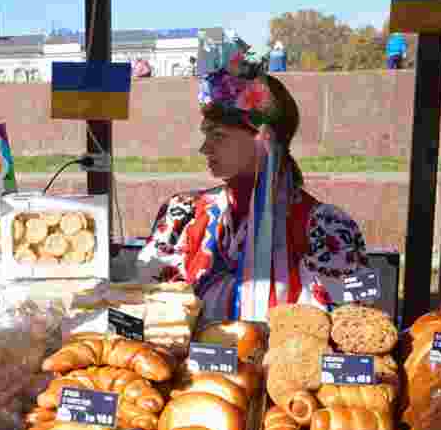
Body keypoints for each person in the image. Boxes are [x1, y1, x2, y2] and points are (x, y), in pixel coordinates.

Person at [136, 42, 368, 322]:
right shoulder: (182, 214)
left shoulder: (327, 228)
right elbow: (144, 305)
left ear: (264, 139)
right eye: (206, 135)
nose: (205, 149)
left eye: (218, 136)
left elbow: (353, 330)